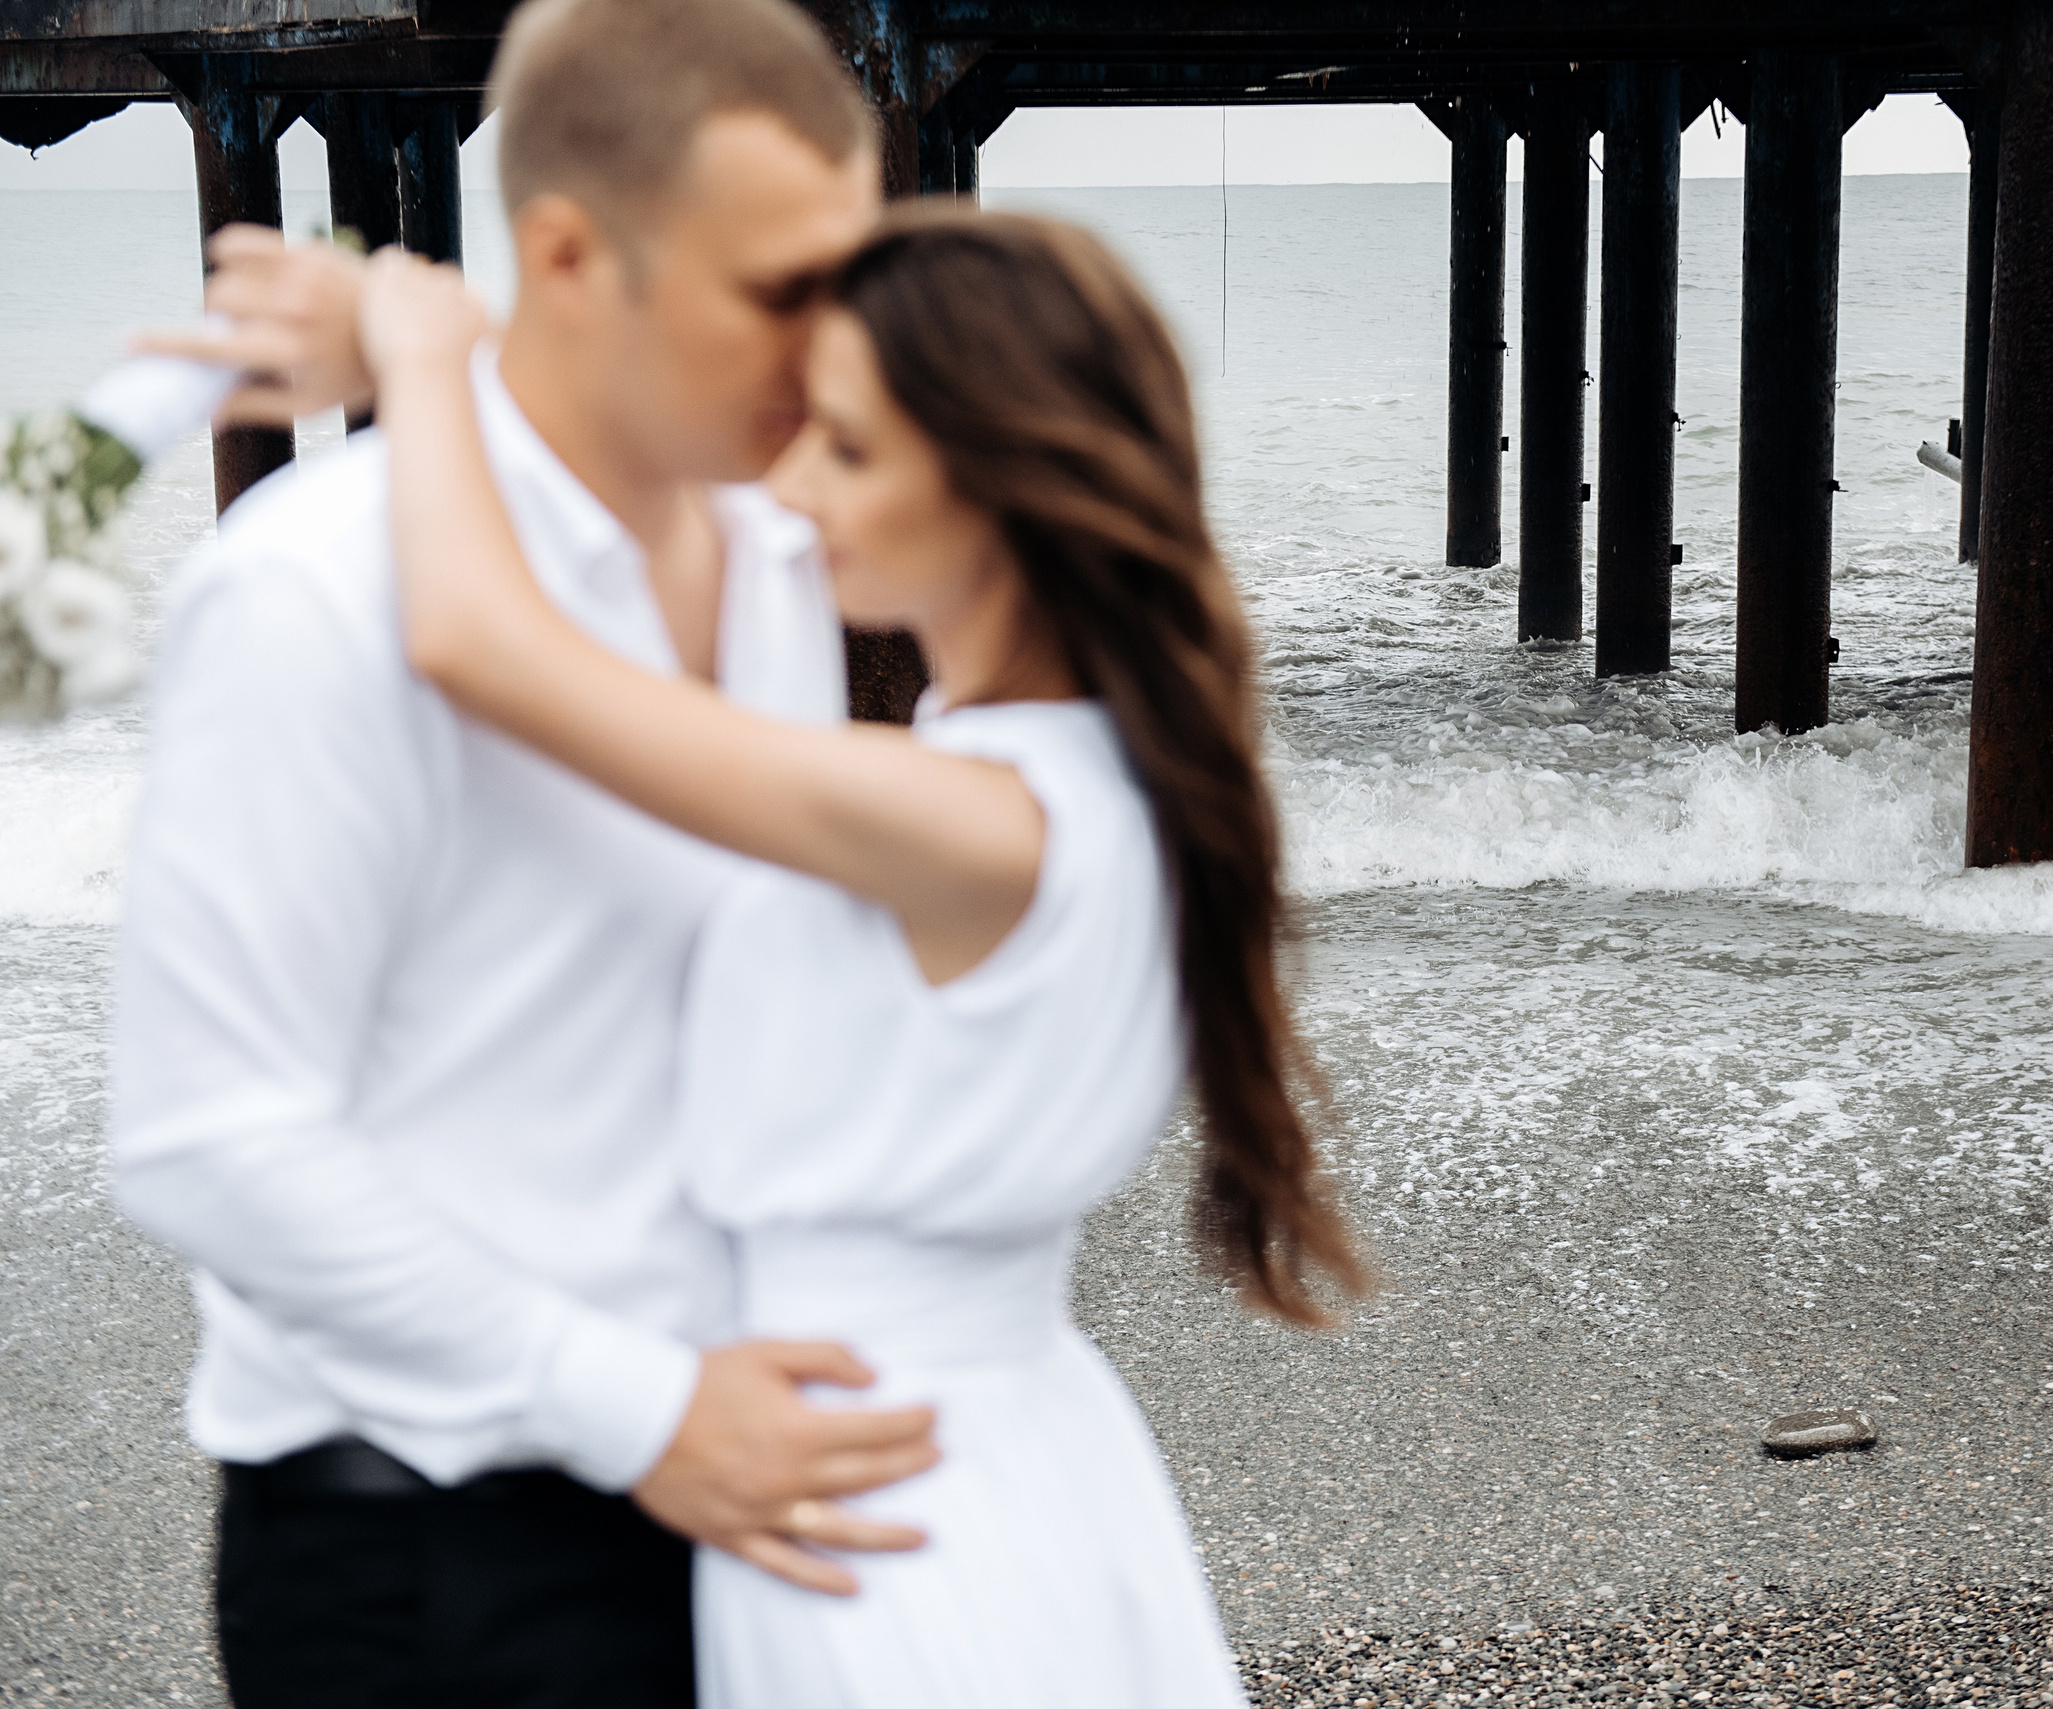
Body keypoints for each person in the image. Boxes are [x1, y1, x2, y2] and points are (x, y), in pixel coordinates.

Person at [350, 201, 1367, 1706]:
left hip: (879, 1504)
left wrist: (426, 361)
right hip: (1004, 1449)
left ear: (1000, 484)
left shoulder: (966, 824)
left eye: (845, 447)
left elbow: (475, 646)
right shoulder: (1098, 785)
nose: (789, 484)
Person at [112, 1, 938, 1702]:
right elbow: (203, 1138)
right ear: (569, 258)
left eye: (847, 279)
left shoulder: (793, 554)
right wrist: (642, 1410)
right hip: (430, 1548)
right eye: (777, 289)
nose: (832, 346)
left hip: (740, 1502)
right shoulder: (314, 589)